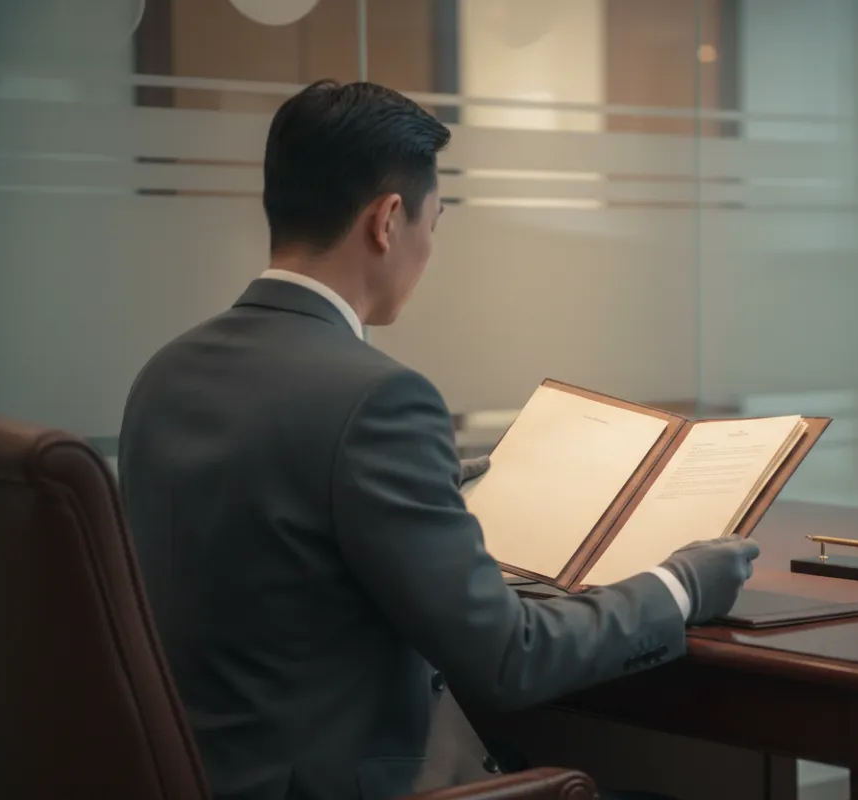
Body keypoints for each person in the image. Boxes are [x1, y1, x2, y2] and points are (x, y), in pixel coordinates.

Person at [117, 80, 760, 800]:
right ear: (388, 220)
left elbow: (267, 533)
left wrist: (418, 484)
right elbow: (508, 658)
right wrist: (679, 586)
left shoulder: (164, 376)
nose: (430, 247)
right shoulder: (377, 398)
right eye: (436, 222)